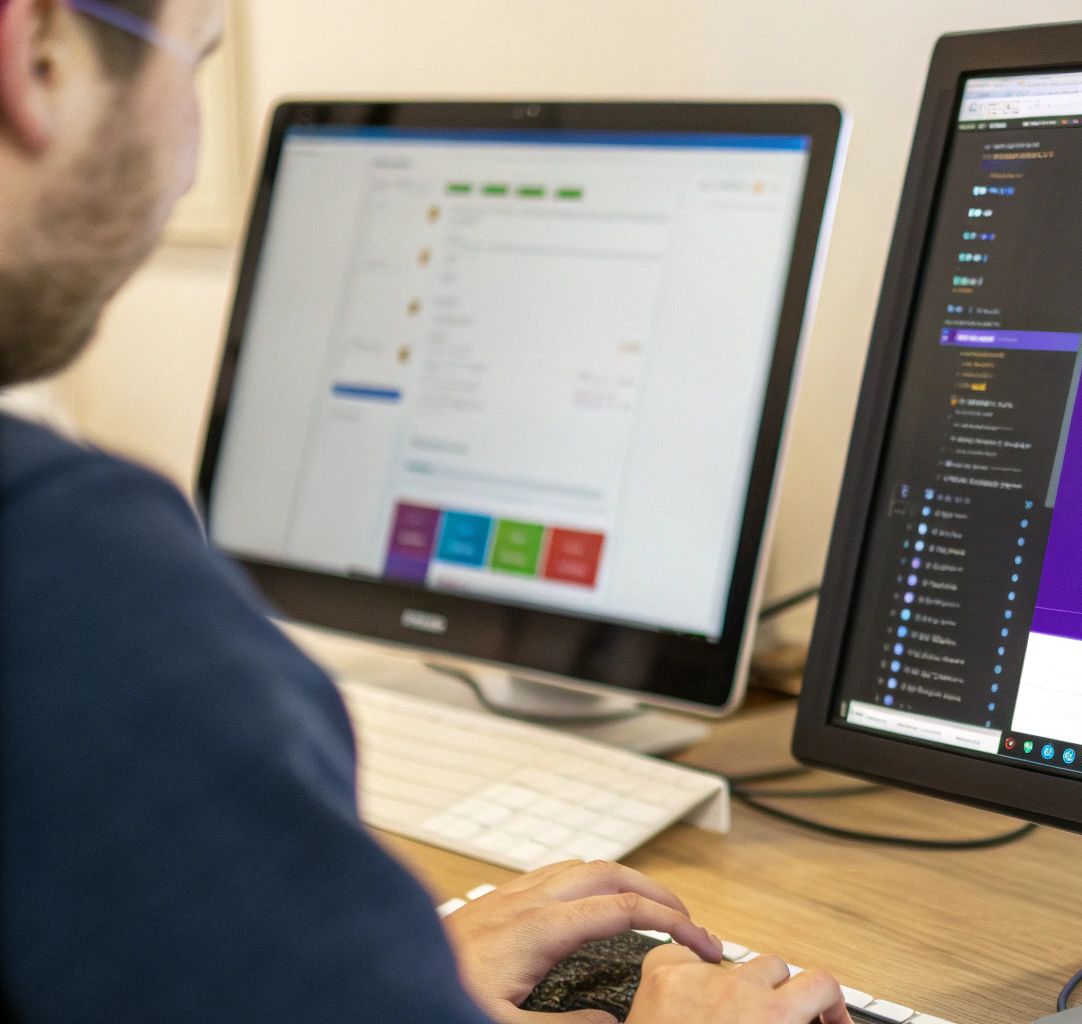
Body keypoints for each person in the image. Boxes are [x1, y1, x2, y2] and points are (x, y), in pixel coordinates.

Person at [0, 1, 852, 1022]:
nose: (185, 163)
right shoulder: (73, 584)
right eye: (194, 60)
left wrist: (363, 964)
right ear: (32, 51)